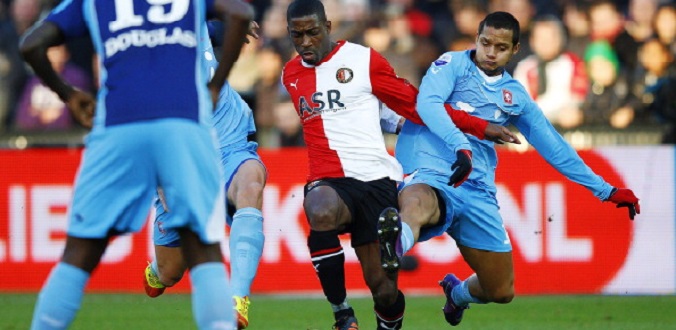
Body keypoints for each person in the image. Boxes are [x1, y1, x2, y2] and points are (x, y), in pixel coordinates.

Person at [377, 11, 641, 327]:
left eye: (500, 47)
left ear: (515, 50)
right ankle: (393, 249)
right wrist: (460, 145)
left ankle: (457, 295)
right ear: (476, 38)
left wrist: (606, 190)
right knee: (419, 200)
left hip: (476, 189)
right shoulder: (451, 65)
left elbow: (555, 148)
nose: (490, 52)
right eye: (485, 42)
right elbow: (427, 105)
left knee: (501, 290)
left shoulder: (514, 96)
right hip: (434, 172)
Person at [281, 1, 518, 329]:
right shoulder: (290, 74)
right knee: (319, 208)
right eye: (297, 35)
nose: (305, 41)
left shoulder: (363, 60)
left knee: (384, 291)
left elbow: (418, 107)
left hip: (377, 181)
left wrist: (477, 127)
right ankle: (342, 313)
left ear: (328, 26)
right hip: (329, 179)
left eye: (312, 32)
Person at [20, 0, 254, 329]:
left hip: (118, 124)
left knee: (80, 252)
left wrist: (68, 94)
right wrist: (215, 86)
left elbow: (30, 44)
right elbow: (241, 13)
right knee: (203, 249)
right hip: (181, 124)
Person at [142, 20, 266, 330]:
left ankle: (237, 299)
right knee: (171, 272)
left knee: (251, 181)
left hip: (229, 144)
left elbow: (214, 22)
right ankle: (158, 270)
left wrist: (234, 22)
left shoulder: (188, 22)